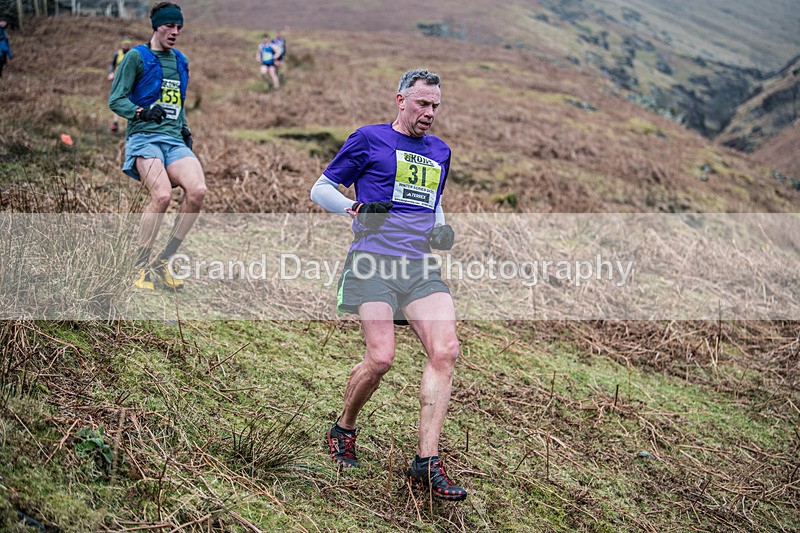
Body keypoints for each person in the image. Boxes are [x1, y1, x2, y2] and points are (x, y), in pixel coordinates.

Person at [310, 68, 467, 501]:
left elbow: (434, 202)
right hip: (372, 263)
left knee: (446, 349)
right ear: (401, 100)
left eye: (436, 105)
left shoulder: (440, 151)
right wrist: (354, 207)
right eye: (422, 103)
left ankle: (425, 464)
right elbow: (320, 189)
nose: (430, 112)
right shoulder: (368, 138)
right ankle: (343, 427)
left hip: (419, 267)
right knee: (380, 360)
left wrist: (441, 227)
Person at [108, 2, 206, 291]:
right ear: (156, 26)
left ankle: (164, 262)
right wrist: (141, 112)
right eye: (169, 26)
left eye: (179, 27)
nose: (175, 32)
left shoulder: (181, 61)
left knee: (198, 191)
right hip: (144, 138)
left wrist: (185, 129)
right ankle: (139, 266)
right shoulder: (137, 57)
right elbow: (116, 99)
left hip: (174, 140)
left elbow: (179, 101)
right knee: (161, 196)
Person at [108, 37, 133, 133]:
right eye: (124, 44)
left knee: (130, 101)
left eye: (127, 45)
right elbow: (112, 65)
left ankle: (129, 124)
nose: (126, 46)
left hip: (130, 81)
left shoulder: (133, 55)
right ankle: (115, 122)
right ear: (121, 45)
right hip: (118, 80)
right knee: (117, 99)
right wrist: (111, 73)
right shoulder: (117, 54)